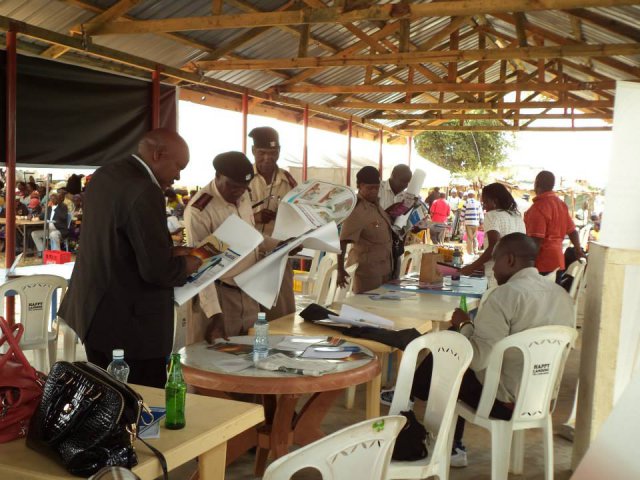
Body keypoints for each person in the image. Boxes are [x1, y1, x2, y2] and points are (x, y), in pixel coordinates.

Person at [403, 233, 575, 467]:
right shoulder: (562, 295)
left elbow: (478, 360)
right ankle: (413, 394)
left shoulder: (503, 296)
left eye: (495, 261)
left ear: (510, 260)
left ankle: (440, 436)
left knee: (449, 354)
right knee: (453, 346)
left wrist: (464, 325)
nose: (492, 270)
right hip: (541, 399)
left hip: (502, 403)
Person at [58, 129, 202, 388]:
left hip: (95, 311)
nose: (179, 175)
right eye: (178, 166)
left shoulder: (106, 175)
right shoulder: (145, 189)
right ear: (158, 155)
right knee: (139, 406)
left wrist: (167, 252)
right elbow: (156, 271)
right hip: (131, 326)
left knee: (104, 396)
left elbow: (117, 241)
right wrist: (187, 264)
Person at [184, 151, 280, 341]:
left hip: (249, 290)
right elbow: (200, 266)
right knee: (215, 361)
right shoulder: (199, 211)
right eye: (232, 186)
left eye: (243, 187)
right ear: (217, 176)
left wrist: (280, 245)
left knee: (250, 356)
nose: (238, 192)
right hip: (219, 295)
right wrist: (215, 315)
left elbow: (251, 235)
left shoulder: (243, 196)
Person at [247, 126, 297, 320]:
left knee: (281, 316)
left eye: (272, 153)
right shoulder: (243, 178)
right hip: (249, 259)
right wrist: (256, 217)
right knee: (250, 317)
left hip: (279, 257)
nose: (267, 158)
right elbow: (228, 216)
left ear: (279, 151)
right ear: (253, 151)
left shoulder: (289, 181)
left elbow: (299, 216)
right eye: (262, 153)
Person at [337, 166, 394, 293]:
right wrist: (340, 270)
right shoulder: (356, 210)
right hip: (367, 272)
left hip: (384, 268)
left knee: (381, 309)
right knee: (366, 309)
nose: (374, 191)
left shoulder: (376, 206)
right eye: (369, 188)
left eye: (376, 188)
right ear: (360, 186)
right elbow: (343, 241)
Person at [461, 183, 526, 286]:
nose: (485, 207)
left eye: (485, 203)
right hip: (516, 273)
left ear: (495, 201)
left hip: (497, 275)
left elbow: (494, 246)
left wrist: (472, 267)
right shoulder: (517, 217)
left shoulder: (492, 215)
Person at [524, 171, 585, 278]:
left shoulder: (538, 208)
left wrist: (527, 265)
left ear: (536, 183)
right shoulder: (561, 205)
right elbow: (572, 231)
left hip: (541, 265)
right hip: (558, 263)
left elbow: (536, 240)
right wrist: (578, 250)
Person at [460, 190, 483, 255]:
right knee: (474, 237)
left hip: (468, 223)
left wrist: (461, 220)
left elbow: (462, 213)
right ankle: (476, 250)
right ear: (474, 195)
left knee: (469, 238)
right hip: (476, 223)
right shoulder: (478, 203)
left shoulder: (466, 203)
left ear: (468, 195)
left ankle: (470, 252)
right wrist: (481, 222)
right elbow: (481, 213)